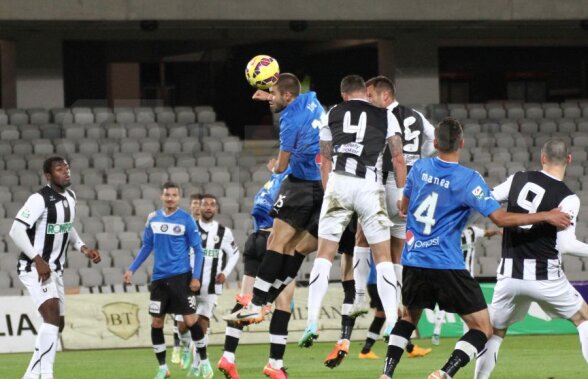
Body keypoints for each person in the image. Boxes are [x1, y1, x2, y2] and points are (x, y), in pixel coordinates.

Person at [380, 118, 571, 379]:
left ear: (435, 143)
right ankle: (445, 373)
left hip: (414, 260)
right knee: (482, 327)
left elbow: (403, 207)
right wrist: (545, 215)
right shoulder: (469, 179)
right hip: (446, 263)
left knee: (407, 319)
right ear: (462, 143)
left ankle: (387, 374)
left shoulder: (420, 168)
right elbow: (500, 219)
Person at [299, 74, 407, 352]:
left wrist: (329, 192)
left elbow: (324, 159)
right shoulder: (385, 115)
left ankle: (311, 322)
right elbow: (397, 158)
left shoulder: (333, 112)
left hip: (339, 182)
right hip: (370, 187)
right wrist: (403, 192)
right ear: (364, 92)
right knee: (383, 257)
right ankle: (393, 321)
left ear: (344, 94)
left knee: (324, 254)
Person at [474, 138, 588, 378]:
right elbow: (565, 245)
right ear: (569, 160)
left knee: (496, 332)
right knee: (584, 318)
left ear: (542, 158)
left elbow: (487, 199)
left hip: (509, 273)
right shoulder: (568, 198)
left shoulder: (518, 178)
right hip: (545, 275)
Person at [224, 73, 325, 324]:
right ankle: (268, 299)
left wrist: (275, 168)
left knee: (276, 242)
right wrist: (270, 94)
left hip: (300, 184)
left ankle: (255, 303)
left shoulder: (289, 120)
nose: (271, 100)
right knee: (296, 249)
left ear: (287, 96)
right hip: (323, 185)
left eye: (275, 95)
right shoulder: (312, 100)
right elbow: (293, 95)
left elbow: (281, 166)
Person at [352, 75, 435, 337]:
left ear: (384, 96)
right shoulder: (418, 116)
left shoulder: (380, 117)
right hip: (413, 185)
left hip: (389, 179)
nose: (367, 99)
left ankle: (357, 296)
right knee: (398, 247)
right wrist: (420, 158)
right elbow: (434, 140)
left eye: (370, 94)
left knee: (363, 236)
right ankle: (397, 304)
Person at [10, 156, 101, 379]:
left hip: (54, 270)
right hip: (35, 268)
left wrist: (83, 247)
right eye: (60, 169)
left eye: (67, 168)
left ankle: (30, 376)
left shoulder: (70, 196)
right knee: (51, 315)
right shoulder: (39, 199)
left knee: (57, 324)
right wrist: (37, 259)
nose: (66, 172)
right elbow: (16, 230)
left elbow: (67, 227)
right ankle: (46, 375)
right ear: (49, 176)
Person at [218, 159, 298, 379]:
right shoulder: (296, 179)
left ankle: (228, 356)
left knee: (245, 299)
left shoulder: (272, 179)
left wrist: (274, 170)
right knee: (283, 305)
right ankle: (275, 363)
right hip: (273, 243)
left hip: (254, 240)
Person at [123, 182, 205, 379]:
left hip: (181, 277)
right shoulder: (153, 218)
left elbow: (199, 250)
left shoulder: (186, 219)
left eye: (174, 195)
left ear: (179, 197)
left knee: (190, 321)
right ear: (162, 196)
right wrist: (132, 269)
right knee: (157, 322)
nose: (170, 198)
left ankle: (202, 360)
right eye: (167, 195)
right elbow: (146, 246)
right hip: (159, 280)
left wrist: (196, 277)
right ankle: (162, 367)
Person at [184, 194, 240, 377]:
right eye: (205, 204)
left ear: (216, 209)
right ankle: (187, 347)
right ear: (198, 208)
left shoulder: (224, 232)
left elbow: (235, 254)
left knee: (203, 322)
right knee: (185, 325)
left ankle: (197, 363)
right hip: (188, 283)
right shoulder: (189, 228)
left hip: (210, 285)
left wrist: (225, 272)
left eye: (212, 205)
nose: (208, 207)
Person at [432, 225, 501, 345]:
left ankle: (437, 331)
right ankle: (468, 334)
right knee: (470, 307)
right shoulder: (472, 230)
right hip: (467, 277)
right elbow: (486, 232)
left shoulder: (449, 230)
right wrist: (496, 232)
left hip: (452, 275)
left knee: (445, 303)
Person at [359, 256, 432, 360]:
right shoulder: (389, 244)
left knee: (383, 314)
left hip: (376, 281)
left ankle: (366, 350)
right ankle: (410, 348)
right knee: (393, 313)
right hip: (381, 282)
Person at [172, 193, 203, 366]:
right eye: (194, 204)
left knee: (199, 319)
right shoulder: (183, 224)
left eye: (199, 203)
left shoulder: (208, 227)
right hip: (183, 276)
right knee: (181, 322)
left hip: (201, 278)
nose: (197, 207)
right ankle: (183, 346)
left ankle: (197, 356)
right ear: (190, 206)